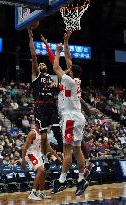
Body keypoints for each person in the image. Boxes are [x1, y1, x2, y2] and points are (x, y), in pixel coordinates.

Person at [51, 42, 91, 196]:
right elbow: (69, 61)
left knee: (67, 151)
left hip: (70, 118)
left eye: (69, 70)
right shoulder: (76, 80)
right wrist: (67, 43)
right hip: (77, 117)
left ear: (72, 73)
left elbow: (55, 68)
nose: (67, 70)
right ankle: (81, 179)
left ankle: (62, 181)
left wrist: (57, 51)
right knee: (77, 149)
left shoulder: (69, 80)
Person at [28, 27, 61, 163]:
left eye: (43, 63)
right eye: (39, 64)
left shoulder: (51, 78)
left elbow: (55, 62)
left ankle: (64, 154)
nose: (41, 64)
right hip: (40, 106)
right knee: (43, 134)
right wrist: (31, 37)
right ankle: (45, 158)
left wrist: (57, 88)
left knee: (58, 132)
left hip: (51, 106)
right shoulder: (36, 75)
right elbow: (34, 56)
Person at [21, 122, 62, 201]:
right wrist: (23, 161)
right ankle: (33, 193)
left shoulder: (44, 135)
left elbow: (49, 148)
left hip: (38, 154)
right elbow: (24, 147)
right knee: (41, 170)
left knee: (43, 173)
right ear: (37, 125)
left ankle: (41, 192)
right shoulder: (32, 133)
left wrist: (58, 157)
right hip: (30, 153)